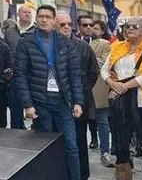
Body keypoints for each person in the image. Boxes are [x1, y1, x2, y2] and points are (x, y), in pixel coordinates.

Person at [13, 5, 83, 180]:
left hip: (63, 103)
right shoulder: (26, 41)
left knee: (71, 146)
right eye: (41, 16)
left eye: (48, 17)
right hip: (40, 102)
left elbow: (74, 74)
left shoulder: (64, 42)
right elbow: (20, 74)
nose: (44, 20)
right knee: (45, 149)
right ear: (36, 19)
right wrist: (27, 105)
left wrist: (78, 102)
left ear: (54, 21)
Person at [103, 18, 142, 180]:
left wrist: (122, 86)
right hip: (120, 101)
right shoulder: (117, 47)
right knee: (121, 138)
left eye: (135, 26)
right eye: (127, 26)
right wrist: (111, 83)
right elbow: (104, 70)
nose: (130, 29)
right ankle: (123, 172)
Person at [58, 14, 99, 180]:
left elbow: (93, 72)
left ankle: (82, 174)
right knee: (59, 140)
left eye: (69, 24)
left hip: (79, 101)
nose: (66, 27)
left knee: (79, 138)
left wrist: (81, 91)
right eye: (62, 25)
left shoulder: (83, 46)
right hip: (56, 100)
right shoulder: (50, 46)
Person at [89, 20, 113, 167]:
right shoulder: (79, 41)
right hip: (83, 86)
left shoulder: (104, 44)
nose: (92, 29)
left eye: (95, 28)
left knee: (102, 120)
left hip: (99, 86)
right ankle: (93, 141)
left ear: (102, 31)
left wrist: (94, 59)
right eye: (90, 26)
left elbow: (104, 63)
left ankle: (105, 151)